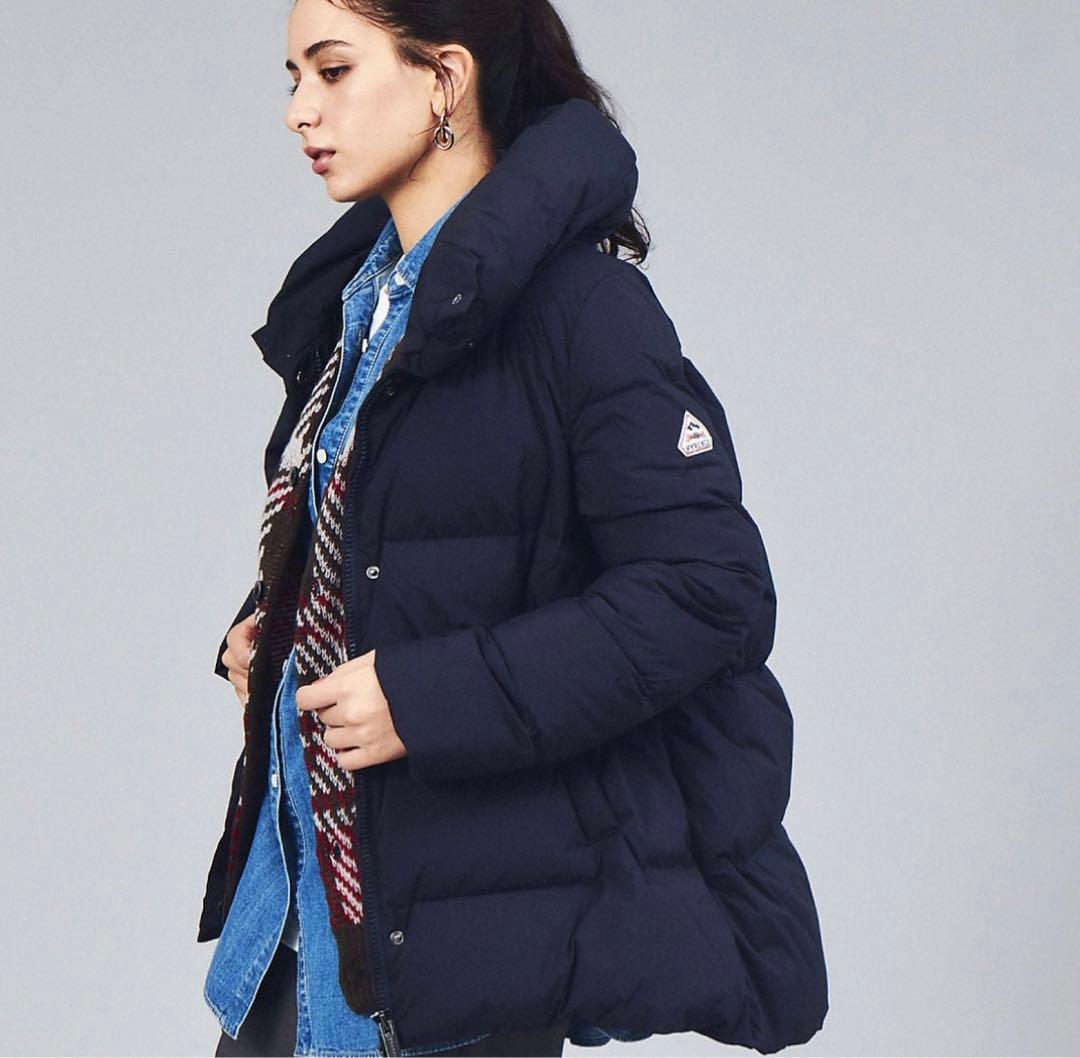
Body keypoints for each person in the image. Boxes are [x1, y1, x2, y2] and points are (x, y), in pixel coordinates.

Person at [198, 0, 830, 1056]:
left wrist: (425, 696)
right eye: (293, 78)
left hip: (454, 963)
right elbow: (410, 540)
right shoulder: (359, 311)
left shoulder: (583, 310)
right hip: (293, 936)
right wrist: (273, 624)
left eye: (333, 70)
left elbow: (705, 590)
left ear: (445, 79)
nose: (299, 110)